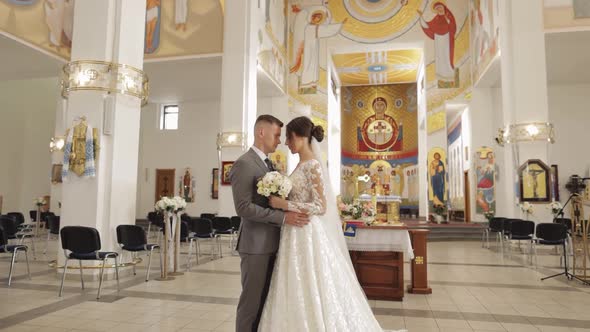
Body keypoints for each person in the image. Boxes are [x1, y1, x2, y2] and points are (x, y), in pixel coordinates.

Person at [260, 116, 397, 331]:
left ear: (301, 137)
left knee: (310, 281)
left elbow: (321, 206)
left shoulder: (313, 165)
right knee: (295, 281)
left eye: (289, 138)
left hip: (306, 232)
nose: (286, 143)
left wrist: (284, 204)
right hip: (295, 232)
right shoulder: (301, 164)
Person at [229, 115, 310, 332]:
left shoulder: (269, 163)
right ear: (261, 133)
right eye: (276, 135)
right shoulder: (244, 164)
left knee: (267, 303)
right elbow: (244, 207)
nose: (279, 141)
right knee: (251, 304)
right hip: (255, 245)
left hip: (274, 242)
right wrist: (283, 217)